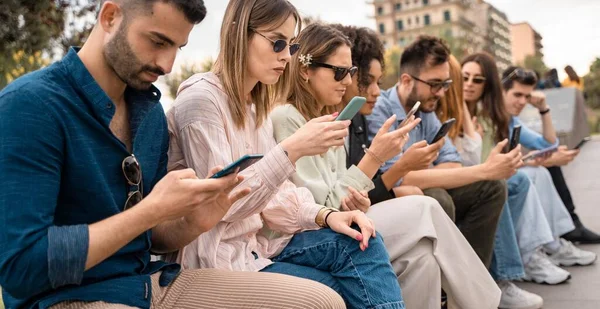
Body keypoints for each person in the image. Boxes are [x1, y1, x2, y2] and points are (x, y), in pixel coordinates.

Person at [0, 1, 346, 309]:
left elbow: (155, 237)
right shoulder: (32, 106)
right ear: (110, 16)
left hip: (149, 284)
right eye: (157, 42)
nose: (167, 64)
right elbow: (20, 268)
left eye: (178, 47)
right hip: (68, 296)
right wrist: (149, 211)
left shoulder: (148, 113)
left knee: (322, 301)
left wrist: (194, 221)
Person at [166, 1, 402, 308]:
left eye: (290, 46)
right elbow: (224, 206)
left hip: (253, 254)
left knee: (360, 246)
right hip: (211, 263)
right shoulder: (202, 102)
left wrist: (328, 215)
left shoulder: (255, 110)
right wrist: (291, 150)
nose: (285, 56)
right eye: (277, 42)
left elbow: (276, 198)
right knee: (342, 284)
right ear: (239, 34)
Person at [270, 23, 500, 309]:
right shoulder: (287, 118)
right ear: (305, 70)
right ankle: (485, 304)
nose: (346, 81)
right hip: (311, 237)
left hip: (339, 223)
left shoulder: (330, 118)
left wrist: (361, 197)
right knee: (426, 206)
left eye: (351, 72)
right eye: (339, 72)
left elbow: (343, 195)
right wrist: (375, 159)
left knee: (423, 259)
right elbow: (324, 207)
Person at [365, 35, 516, 271]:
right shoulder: (379, 110)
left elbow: (453, 164)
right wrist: (481, 169)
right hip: (383, 200)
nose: (442, 93)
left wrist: (417, 169)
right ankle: (453, 286)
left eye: (445, 85)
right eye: (435, 84)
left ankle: (472, 281)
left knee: (493, 187)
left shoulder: (426, 111)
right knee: (437, 196)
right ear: (406, 80)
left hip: (418, 191)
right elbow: (395, 177)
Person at [439, 54, 543, 309]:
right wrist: (460, 102)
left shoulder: (486, 115)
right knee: (499, 184)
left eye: (477, 79)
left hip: (472, 176)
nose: (469, 84)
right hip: (456, 180)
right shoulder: (443, 109)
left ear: (487, 85)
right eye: (463, 78)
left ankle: (533, 254)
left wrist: (545, 110)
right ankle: (504, 276)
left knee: (520, 181)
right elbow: (473, 162)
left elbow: (481, 159)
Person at [500, 65, 597, 265]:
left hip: (503, 175)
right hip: (493, 180)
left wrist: (543, 108)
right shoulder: (489, 117)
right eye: (517, 95)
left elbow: (549, 144)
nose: (522, 102)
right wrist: (542, 160)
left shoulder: (512, 121)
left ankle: (557, 239)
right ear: (500, 90)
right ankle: (555, 239)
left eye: (526, 97)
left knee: (542, 170)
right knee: (538, 171)